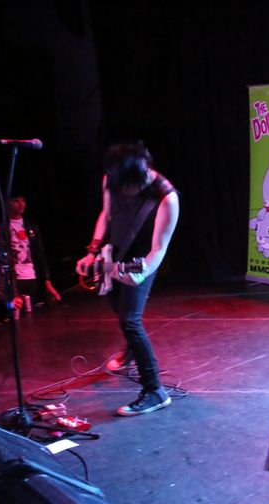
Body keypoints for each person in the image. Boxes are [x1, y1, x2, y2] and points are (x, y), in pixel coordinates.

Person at [75, 142, 180, 416]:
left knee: (130, 320)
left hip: (141, 259)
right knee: (117, 307)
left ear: (139, 178)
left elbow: (159, 250)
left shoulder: (166, 198)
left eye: (126, 188)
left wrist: (141, 273)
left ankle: (155, 390)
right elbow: (107, 214)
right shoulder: (112, 179)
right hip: (115, 253)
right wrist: (93, 250)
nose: (121, 192)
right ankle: (132, 351)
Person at [5, 195, 62, 307]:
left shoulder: (31, 226)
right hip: (14, 279)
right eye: (16, 201)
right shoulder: (2, 227)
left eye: (23, 200)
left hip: (31, 276)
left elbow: (40, 254)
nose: (21, 204)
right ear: (7, 203)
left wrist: (47, 280)